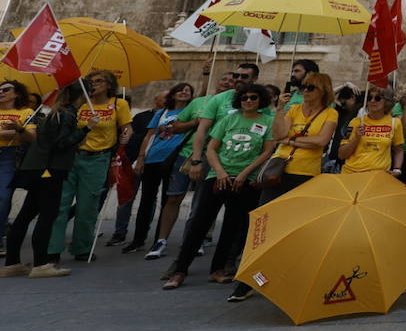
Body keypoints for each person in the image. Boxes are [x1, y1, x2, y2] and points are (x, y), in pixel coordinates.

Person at [226, 71, 338, 303]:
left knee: (296, 230)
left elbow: (321, 142)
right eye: (303, 86)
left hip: (305, 175)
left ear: (322, 91)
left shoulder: (330, 113)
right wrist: (279, 110)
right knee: (263, 226)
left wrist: (290, 140)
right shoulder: (293, 110)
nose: (304, 91)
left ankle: (288, 278)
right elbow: (277, 134)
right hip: (278, 173)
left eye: (310, 87)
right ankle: (250, 280)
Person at [162, 83, 277, 289]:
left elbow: (267, 152)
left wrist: (244, 174)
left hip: (245, 179)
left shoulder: (268, 121)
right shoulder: (228, 119)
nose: (248, 101)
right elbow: (212, 148)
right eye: (244, 98)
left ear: (261, 100)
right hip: (218, 175)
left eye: (253, 98)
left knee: (232, 226)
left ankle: (218, 269)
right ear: (238, 100)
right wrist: (221, 172)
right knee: (200, 223)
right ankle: (180, 270)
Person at [2, 83, 91, 278]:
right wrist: (86, 129)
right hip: (50, 170)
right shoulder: (67, 115)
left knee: (26, 215)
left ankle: (12, 263)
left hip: (35, 168)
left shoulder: (54, 113)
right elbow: (62, 143)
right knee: (47, 216)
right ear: (80, 97)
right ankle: (41, 264)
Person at [48, 70, 131, 261]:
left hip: (98, 159)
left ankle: (82, 247)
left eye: (99, 81)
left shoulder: (119, 104)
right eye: (91, 81)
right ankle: (52, 249)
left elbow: (127, 126)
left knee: (87, 206)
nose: (94, 84)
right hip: (72, 157)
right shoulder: (80, 103)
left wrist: (127, 135)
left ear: (110, 85)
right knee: (61, 204)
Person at [125, 83, 193, 256]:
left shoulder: (191, 112)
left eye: (188, 91)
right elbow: (149, 136)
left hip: (174, 160)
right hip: (153, 158)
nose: (184, 92)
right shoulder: (160, 113)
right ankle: (138, 239)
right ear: (172, 94)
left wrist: (206, 75)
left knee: (167, 200)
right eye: (180, 89)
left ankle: (159, 240)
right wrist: (141, 158)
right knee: (146, 200)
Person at [0, 80, 36, 250]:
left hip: (8, 156)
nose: (1, 92)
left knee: (3, 198)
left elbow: (31, 136)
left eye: (6, 89)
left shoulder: (27, 112)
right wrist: (12, 131)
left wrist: (18, 131)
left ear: (17, 93)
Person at [340, 87, 404, 176]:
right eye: (370, 98)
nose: (372, 101)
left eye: (378, 98)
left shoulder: (395, 123)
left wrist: (397, 170)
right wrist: (356, 138)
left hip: (378, 177)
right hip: (352, 174)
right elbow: (342, 154)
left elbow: (399, 150)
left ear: (387, 102)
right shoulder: (356, 122)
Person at [323, 84, 362, 172]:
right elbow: (325, 96)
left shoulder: (361, 113)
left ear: (353, 98)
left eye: (344, 103)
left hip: (347, 161)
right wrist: (345, 85)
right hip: (332, 159)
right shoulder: (340, 111)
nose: (343, 106)